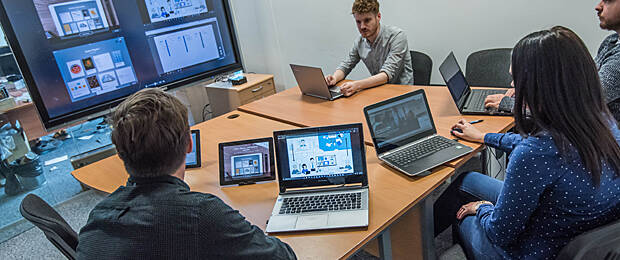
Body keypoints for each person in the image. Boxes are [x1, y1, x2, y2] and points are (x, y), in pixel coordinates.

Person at [435, 27, 620, 259]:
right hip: (577, 231)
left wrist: (482, 208)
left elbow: (500, 233)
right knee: (467, 181)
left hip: (534, 250)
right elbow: (541, 149)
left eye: (516, 79)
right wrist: (483, 137)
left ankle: (418, 249)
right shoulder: (600, 120)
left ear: (541, 85)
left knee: (464, 215)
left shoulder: (534, 154)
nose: (512, 88)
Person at [77, 89, 296, 259]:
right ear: (190, 143)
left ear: (120, 153)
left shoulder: (98, 216)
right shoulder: (202, 214)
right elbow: (283, 256)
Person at [485, 0, 620, 123]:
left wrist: (511, 105)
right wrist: (528, 90)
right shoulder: (611, 42)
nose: (598, 6)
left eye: (608, 1)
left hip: (593, 140)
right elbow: (581, 83)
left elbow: (577, 105)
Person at [325, 0, 413, 97]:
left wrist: (356, 85)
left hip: (402, 94)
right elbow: (346, 66)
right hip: (379, 91)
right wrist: (334, 78)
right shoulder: (360, 41)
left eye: (367, 20)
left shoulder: (397, 36)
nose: (362, 26)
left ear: (378, 17)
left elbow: (386, 74)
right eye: (358, 22)